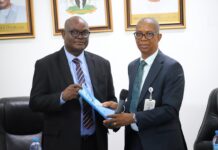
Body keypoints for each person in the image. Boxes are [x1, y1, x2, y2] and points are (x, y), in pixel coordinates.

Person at [29, 16, 117, 150]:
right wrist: (62, 97)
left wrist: (113, 111)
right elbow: (35, 102)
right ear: (63, 34)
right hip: (61, 142)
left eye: (85, 33)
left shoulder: (102, 64)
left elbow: (110, 99)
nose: (80, 37)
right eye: (74, 32)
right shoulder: (45, 65)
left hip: (96, 141)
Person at [103, 18, 187, 150]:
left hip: (161, 142)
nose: (143, 38)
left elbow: (170, 110)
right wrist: (120, 107)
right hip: (134, 140)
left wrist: (133, 117)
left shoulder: (172, 67)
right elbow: (138, 102)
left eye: (149, 34)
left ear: (159, 37)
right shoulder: (133, 66)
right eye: (139, 34)